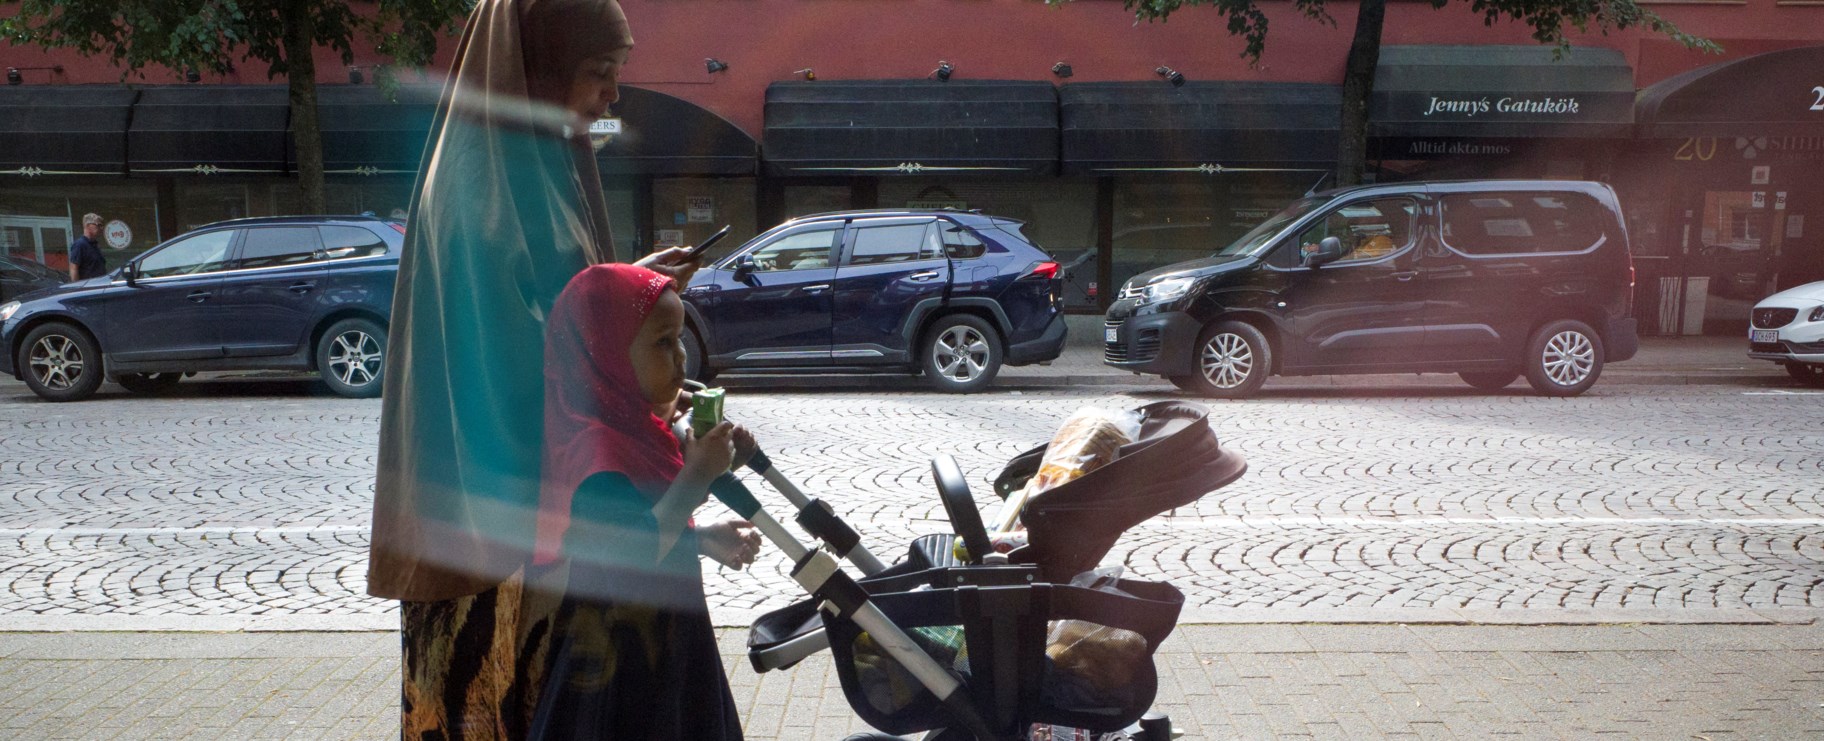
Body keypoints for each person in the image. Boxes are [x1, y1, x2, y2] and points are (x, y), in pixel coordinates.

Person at [368, 0, 745, 736]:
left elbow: (554, 311)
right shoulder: (482, 192)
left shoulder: (534, 165)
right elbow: (516, 359)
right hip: (500, 543)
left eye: (618, 74)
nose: (611, 96)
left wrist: (630, 291)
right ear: (536, 71)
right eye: (599, 74)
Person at [527, 263, 755, 739]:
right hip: (620, 669)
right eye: (662, 342)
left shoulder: (634, 428)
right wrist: (697, 477)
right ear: (606, 353)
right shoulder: (599, 456)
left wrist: (702, 536)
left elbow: (641, 524)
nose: (681, 358)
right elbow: (631, 553)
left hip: (666, 643)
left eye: (680, 339)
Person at [67, 213, 106, 281]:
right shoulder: (79, 245)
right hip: (88, 287)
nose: (101, 228)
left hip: (99, 285)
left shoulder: (94, 245)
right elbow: (73, 268)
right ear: (87, 226)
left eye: (102, 225)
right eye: (98, 225)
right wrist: (78, 288)